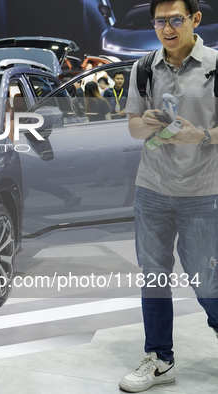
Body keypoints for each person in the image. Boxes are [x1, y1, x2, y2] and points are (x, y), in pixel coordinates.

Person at [119, 1, 218, 392]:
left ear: (195, 19)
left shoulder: (215, 65)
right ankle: (160, 358)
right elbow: (131, 128)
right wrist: (143, 123)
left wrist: (203, 135)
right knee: (153, 278)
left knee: (206, 281)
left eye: (176, 19)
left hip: (203, 192)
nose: (167, 28)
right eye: (160, 21)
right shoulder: (143, 68)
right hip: (152, 191)